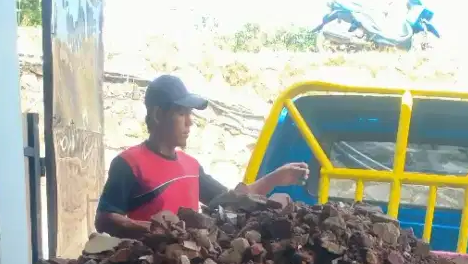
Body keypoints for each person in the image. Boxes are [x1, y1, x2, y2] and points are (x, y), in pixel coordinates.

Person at [95, 75, 309, 238]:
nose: (190, 122)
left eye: (191, 114)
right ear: (158, 115)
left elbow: (231, 200)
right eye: (181, 113)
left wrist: (275, 178)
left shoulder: (191, 167)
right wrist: (157, 231)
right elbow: (105, 219)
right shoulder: (129, 164)